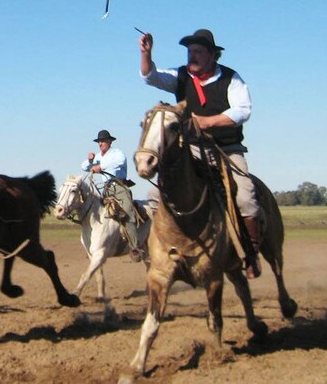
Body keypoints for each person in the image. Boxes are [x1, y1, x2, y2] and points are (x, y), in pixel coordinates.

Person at [139, 28, 263, 278]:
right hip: (192, 149)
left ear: (212, 55)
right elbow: (150, 76)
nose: (191, 57)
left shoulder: (231, 78)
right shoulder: (181, 76)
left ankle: (250, 254)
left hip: (227, 149)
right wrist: (146, 53)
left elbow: (243, 110)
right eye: (189, 52)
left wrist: (207, 122)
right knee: (155, 193)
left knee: (246, 196)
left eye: (198, 52)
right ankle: (164, 247)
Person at [81, 129, 144, 262]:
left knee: (128, 213)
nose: (100, 144)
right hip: (106, 189)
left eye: (103, 141)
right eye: (99, 142)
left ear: (109, 142)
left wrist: (100, 166)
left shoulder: (117, 153)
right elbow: (84, 167)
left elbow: (119, 162)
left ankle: (135, 247)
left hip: (119, 187)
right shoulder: (98, 156)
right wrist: (90, 160)